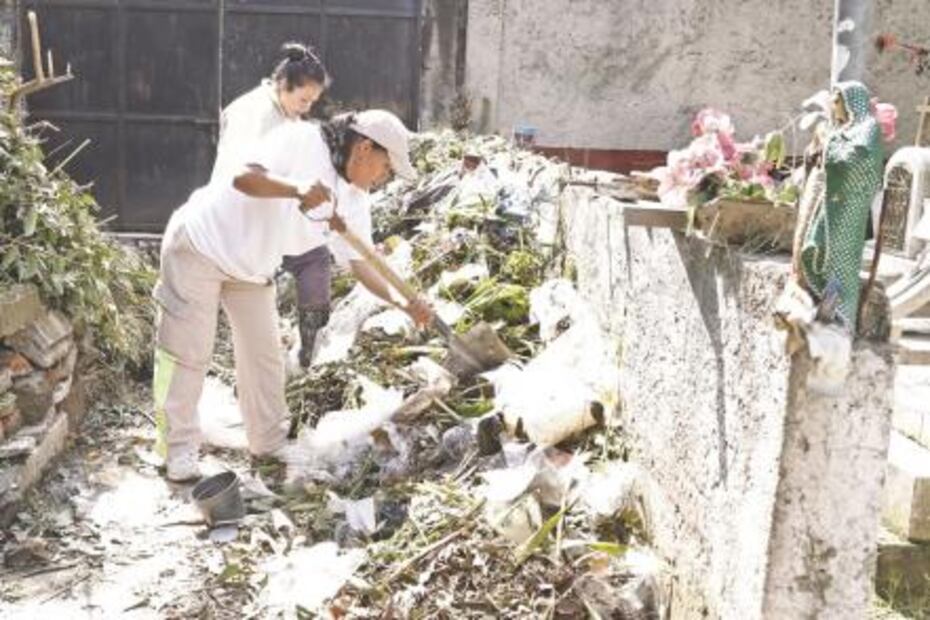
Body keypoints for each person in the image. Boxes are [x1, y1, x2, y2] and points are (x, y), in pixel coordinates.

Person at [153, 109, 431, 482]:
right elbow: (243, 177)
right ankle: (178, 449)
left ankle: (267, 443)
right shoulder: (302, 139)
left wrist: (404, 304)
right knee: (190, 352)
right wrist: (297, 189)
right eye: (384, 167)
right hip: (201, 244)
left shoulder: (354, 198)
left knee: (264, 358)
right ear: (364, 148)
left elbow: (361, 264)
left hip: (251, 268)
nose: (383, 178)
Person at [211, 42, 335, 367]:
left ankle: (309, 354)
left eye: (312, 102)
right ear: (283, 85)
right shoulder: (254, 113)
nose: (307, 108)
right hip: (240, 224)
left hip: (271, 218)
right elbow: (240, 176)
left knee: (315, 259)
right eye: (303, 99)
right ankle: (264, 365)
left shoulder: (285, 114)